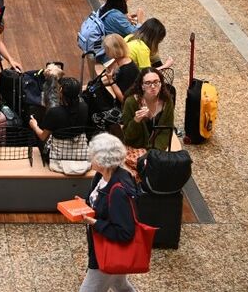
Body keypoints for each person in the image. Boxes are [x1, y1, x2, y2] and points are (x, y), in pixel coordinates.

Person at [79, 133, 141, 292]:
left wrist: (94, 223)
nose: (89, 159)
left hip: (107, 252)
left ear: (102, 161)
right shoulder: (101, 176)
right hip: (105, 247)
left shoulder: (119, 191)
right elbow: (98, 201)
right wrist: (84, 204)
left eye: (92, 156)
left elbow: (125, 232)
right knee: (120, 285)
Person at [28, 77, 90, 175]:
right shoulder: (84, 107)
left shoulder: (54, 112)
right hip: (80, 154)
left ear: (61, 92)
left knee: (38, 138)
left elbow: (43, 136)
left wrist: (34, 125)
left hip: (59, 157)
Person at [121, 67, 175, 150]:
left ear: (161, 84)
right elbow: (127, 137)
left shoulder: (167, 101)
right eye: (148, 83)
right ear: (142, 86)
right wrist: (136, 121)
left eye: (156, 82)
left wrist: (154, 151)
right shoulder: (131, 102)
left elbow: (167, 131)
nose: (153, 86)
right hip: (136, 148)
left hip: (158, 148)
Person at [99, 34, 140, 103]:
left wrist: (111, 81)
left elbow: (123, 100)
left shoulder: (127, 70)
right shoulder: (120, 61)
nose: (105, 52)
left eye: (106, 49)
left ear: (113, 50)